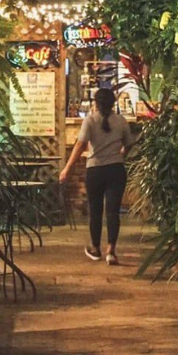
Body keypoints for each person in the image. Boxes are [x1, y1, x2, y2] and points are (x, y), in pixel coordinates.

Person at [59, 87, 133, 265]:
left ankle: (95, 248)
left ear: (96, 104)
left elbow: (80, 146)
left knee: (95, 211)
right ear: (113, 103)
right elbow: (129, 144)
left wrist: (67, 169)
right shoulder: (121, 121)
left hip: (95, 170)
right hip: (116, 169)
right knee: (113, 211)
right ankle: (111, 251)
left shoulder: (90, 121)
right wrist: (121, 153)